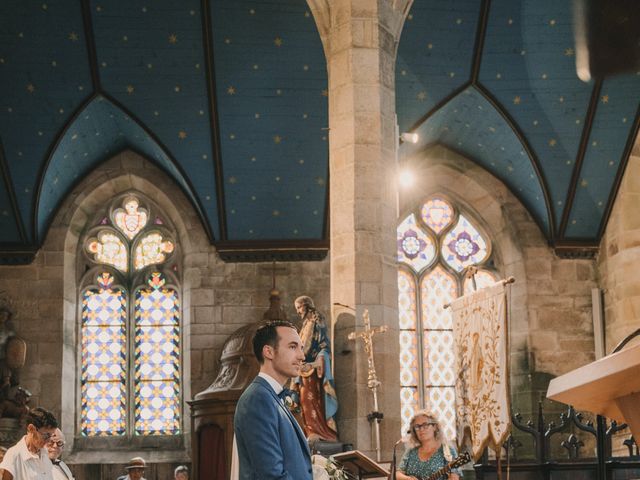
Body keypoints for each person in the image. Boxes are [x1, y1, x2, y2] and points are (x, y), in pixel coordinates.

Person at [234, 320, 313, 480]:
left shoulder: (271, 396)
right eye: (292, 347)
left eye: (301, 348)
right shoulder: (258, 399)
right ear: (268, 352)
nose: (302, 356)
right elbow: (272, 475)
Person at [292, 296, 338, 441]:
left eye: (299, 307)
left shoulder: (317, 320)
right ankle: (310, 431)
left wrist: (314, 363)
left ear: (307, 306)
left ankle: (320, 431)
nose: (298, 311)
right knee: (305, 401)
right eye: (297, 308)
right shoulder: (305, 324)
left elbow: (323, 346)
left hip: (313, 372)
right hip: (303, 371)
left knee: (311, 399)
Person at [396, 411, 461, 480]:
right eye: (417, 426)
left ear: (435, 427)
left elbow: (454, 476)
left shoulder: (448, 451)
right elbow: (398, 474)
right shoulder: (411, 451)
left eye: (425, 425)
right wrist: (408, 479)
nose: (421, 429)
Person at [0, 407, 58, 480]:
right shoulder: (14, 455)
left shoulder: (45, 453)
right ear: (31, 429)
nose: (48, 440)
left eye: (51, 435)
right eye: (46, 435)